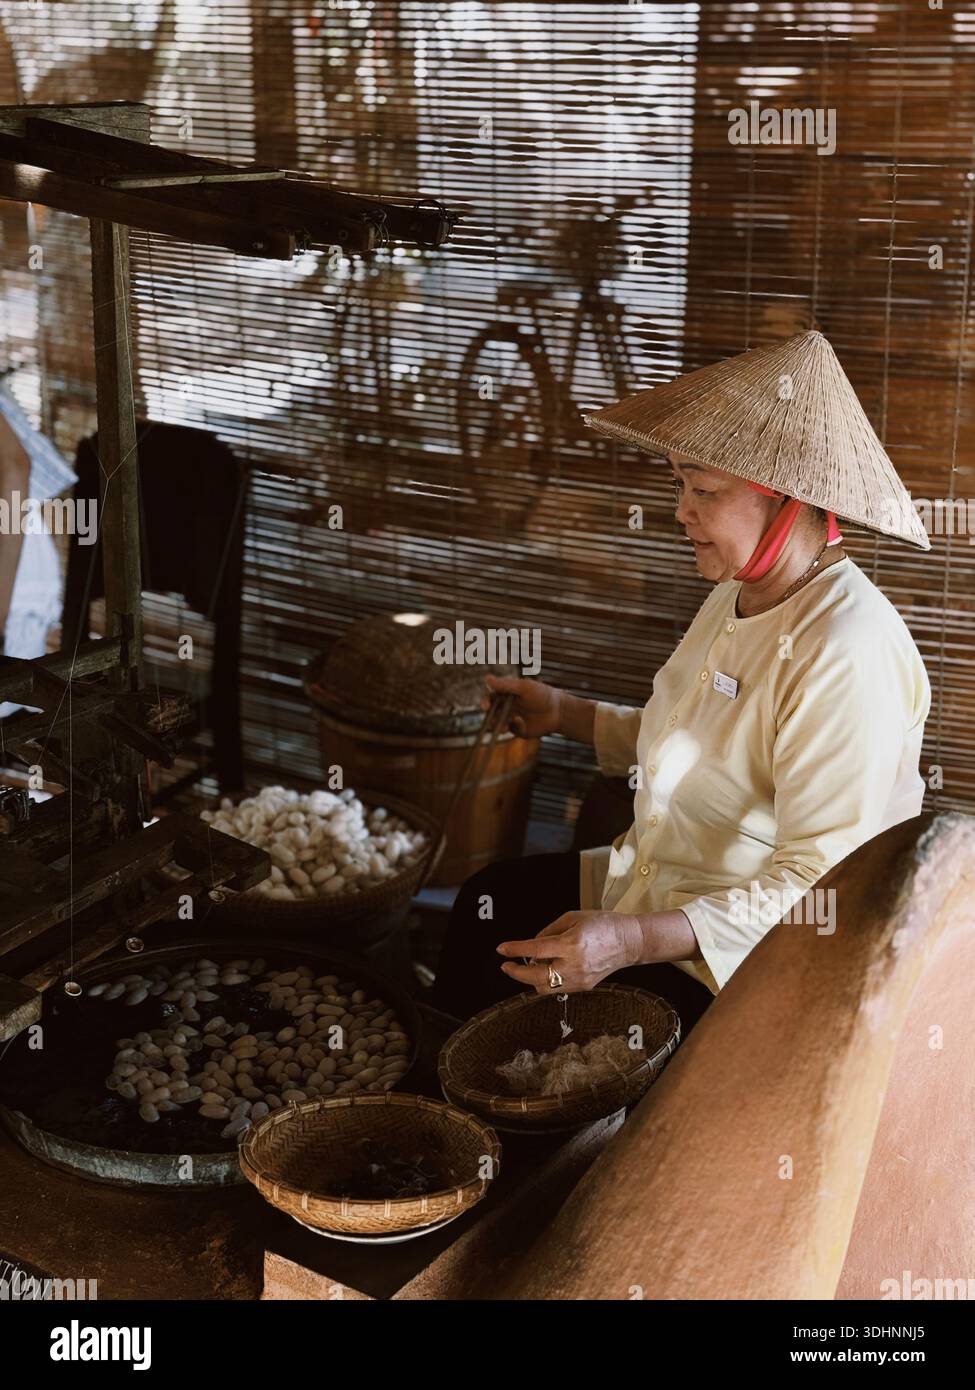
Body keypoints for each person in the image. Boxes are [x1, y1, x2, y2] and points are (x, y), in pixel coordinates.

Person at [431, 329, 932, 1034]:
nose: (680, 511)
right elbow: (699, 742)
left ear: (787, 502)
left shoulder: (844, 651)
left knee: (573, 1052)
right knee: (488, 903)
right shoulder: (739, 594)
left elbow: (816, 885)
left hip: (737, 948)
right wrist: (566, 712)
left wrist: (630, 940)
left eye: (703, 489)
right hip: (656, 876)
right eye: (679, 484)